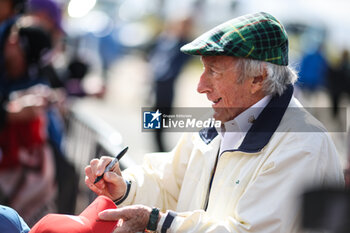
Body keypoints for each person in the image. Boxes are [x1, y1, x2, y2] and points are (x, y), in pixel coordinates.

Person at [84, 12, 344, 232]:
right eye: (202, 69)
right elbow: (170, 182)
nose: (200, 86)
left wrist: (159, 221)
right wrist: (126, 187)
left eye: (214, 72)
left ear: (258, 78)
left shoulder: (303, 143)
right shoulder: (223, 119)